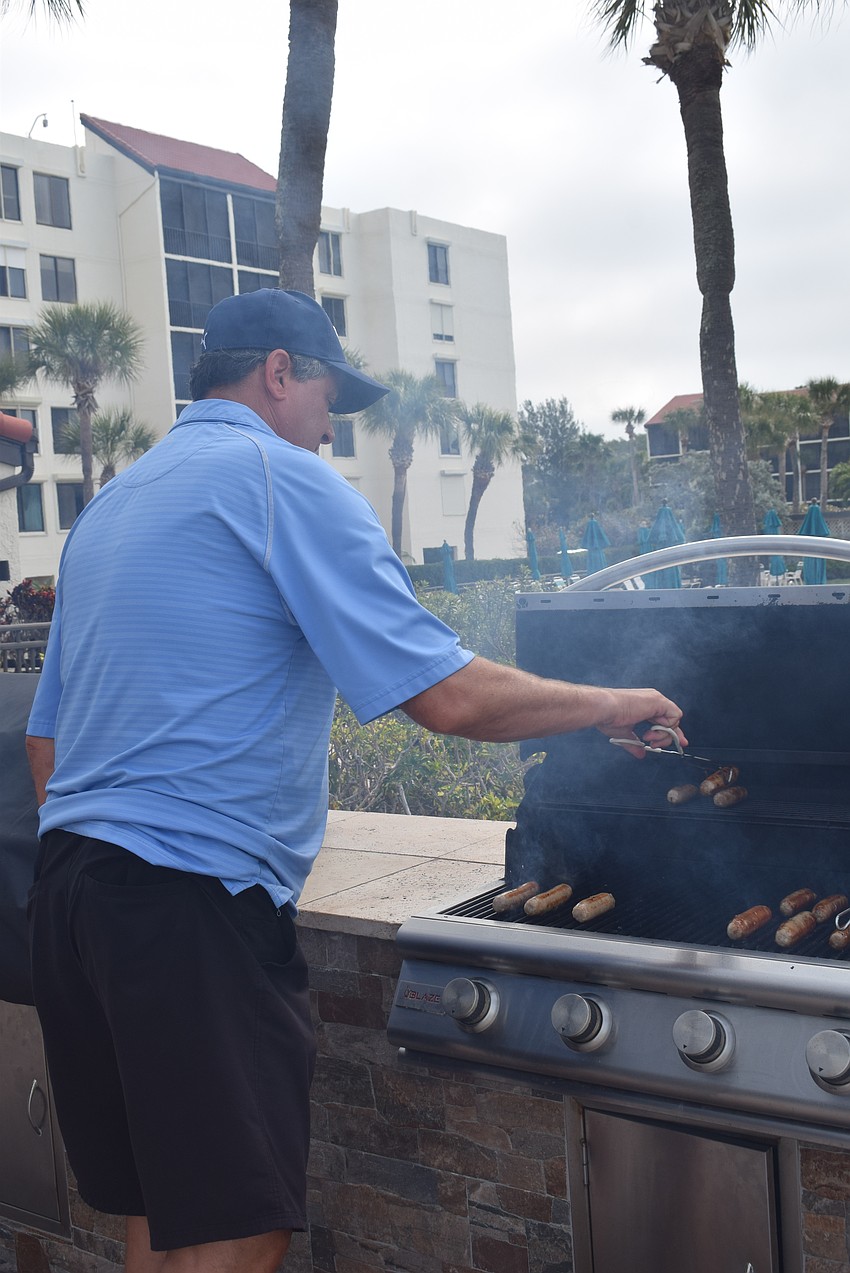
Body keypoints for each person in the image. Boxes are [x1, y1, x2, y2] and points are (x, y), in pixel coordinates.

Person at [25, 288, 685, 1273]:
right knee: (237, 1227)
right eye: (330, 398)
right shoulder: (277, 478)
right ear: (278, 373)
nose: (332, 429)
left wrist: (112, 865)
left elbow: (45, 737)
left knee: (164, 1215)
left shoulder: (110, 506)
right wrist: (610, 703)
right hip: (185, 903)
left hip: (72, 899)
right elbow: (445, 696)